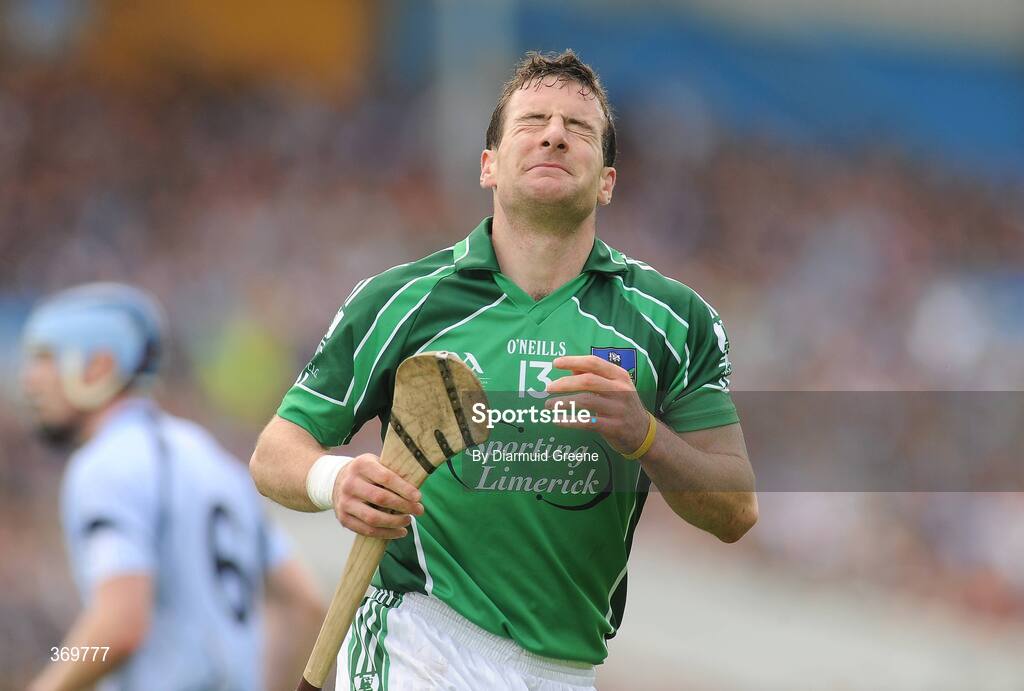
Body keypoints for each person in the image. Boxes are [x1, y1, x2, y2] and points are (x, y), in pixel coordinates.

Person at [250, 50, 758, 690]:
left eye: (579, 129)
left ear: (607, 179)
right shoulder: (405, 299)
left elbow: (735, 508)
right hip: (420, 638)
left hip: (566, 670)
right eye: (533, 121)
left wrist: (645, 435)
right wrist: (336, 478)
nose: (554, 134)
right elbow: (275, 451)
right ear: (488, 166)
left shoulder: (672, 320)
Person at [20, 283, 325, 691]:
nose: (30, 381)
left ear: (98, 367)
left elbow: (120, 624)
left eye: (45, 358)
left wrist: (54, 673)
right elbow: (304, 603)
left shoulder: (104, 464)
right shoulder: (212, 459)